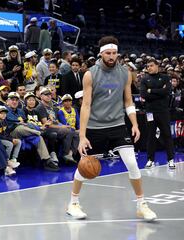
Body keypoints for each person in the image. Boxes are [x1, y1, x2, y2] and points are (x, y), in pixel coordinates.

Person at [66, 36, 157, 221]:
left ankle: (141, 204)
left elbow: (128, 100)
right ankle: (73, 203)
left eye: (114, 53)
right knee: (84, 167)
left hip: (117, 125)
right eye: (108, 53)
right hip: (95, 127)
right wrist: (82, 135)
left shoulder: (124, 72)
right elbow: (86, 105)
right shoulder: (90, 74)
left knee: (132, 163)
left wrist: (134, 124)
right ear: (101, 53)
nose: (112, 56)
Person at [140, 59, 175, 169]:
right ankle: (150, 160)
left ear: (157, 66)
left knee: (167, 135)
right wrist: (159, 91)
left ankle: (170, 159)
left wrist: (152, 91)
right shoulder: (144, 79)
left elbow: (167, 92)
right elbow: (144, 94)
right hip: (150, 112)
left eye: (151, 65)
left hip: (163, 111)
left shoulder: (165, 78)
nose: (149, 68)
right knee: (150, 136)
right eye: (147, 66)